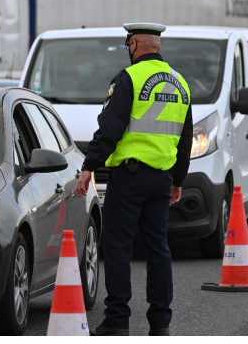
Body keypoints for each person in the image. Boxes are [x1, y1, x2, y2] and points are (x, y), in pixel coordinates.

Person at [74, 22, 193, 336]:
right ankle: (160, 324)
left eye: (128, 45)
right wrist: (178, 180)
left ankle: (117, 321)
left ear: (135, 45)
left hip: (129, 178)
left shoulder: (129, 78)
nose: (128, 50)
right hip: (161, 180)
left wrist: (89, 166)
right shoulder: (181, 84)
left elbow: (110, 127)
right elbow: (185, 139)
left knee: (117, 248)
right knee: (158, 250)